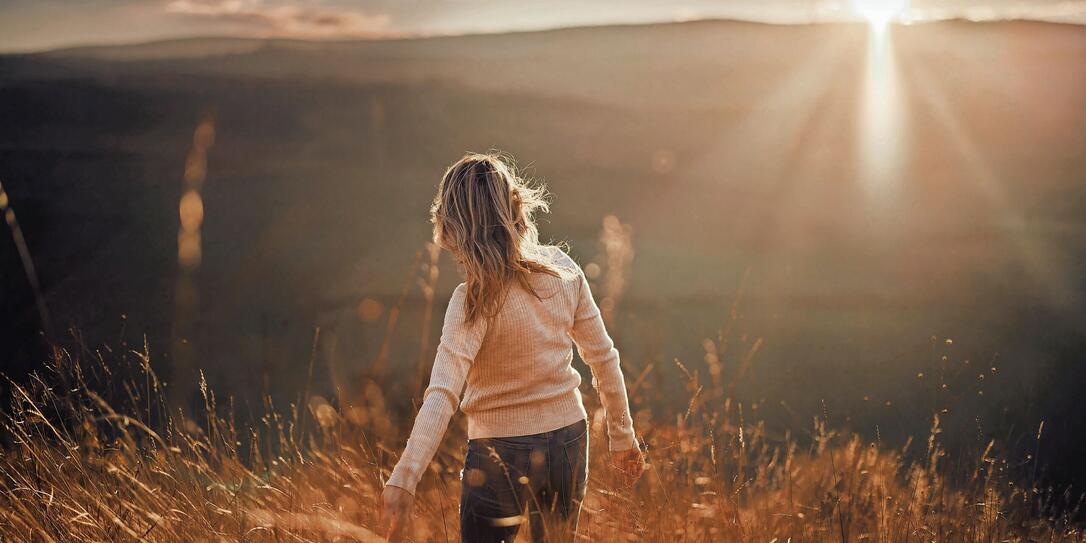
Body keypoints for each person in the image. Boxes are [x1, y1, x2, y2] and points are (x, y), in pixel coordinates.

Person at [380, 152, 645, 542]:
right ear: (514, 208)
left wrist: (404, 478)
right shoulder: (564, 271)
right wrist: (622, 437)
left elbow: (443, 394)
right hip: (567, 441)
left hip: (497, 451)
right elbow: (603, 358)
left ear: (454, 227)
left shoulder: (472, 300)